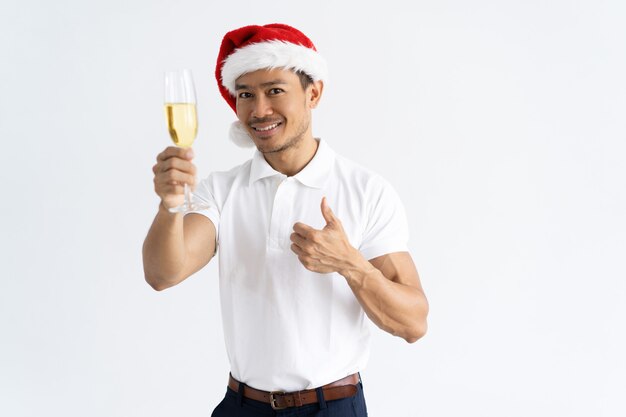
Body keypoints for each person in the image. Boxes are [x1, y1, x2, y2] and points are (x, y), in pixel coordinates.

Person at [143, 23, 429, 416]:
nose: (259, 110)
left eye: (275, 91)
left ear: (313, 93)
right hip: (242, 405)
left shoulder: (367, 190)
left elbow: (413, 323)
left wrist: (350, 264)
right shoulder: (222, 191)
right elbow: (163, 274)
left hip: (332, 407)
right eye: (246, 95)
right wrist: (170, 205)